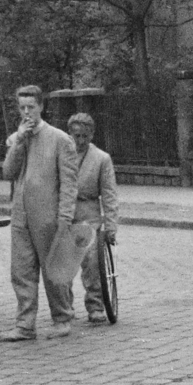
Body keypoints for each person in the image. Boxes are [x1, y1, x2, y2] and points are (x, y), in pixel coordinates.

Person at [0, 85, 80, 342]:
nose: (26, 112)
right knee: (21, 271)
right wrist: (19, 141)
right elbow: (8, 172)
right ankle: (24, 325)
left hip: (49, 216)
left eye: (30, 107)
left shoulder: (60, 139)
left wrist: (65, 218)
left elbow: (69, 183)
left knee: (54, 270)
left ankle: (62, 318)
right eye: (21, 107)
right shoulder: (17, 138)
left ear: (41, 107)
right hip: (21, 216)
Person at [67, 113, 118, 325]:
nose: (80, 141)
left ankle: (96, 306)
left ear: (92, 135)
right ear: (70, 134)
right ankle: (64, 308)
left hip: (89, 215)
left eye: (85, 136)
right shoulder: (61, 154)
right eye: (76, 135)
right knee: (62, 266)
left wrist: (111, 226)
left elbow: (109, 194)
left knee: (91, 263)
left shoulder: (101, 159)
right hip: (65, 214)